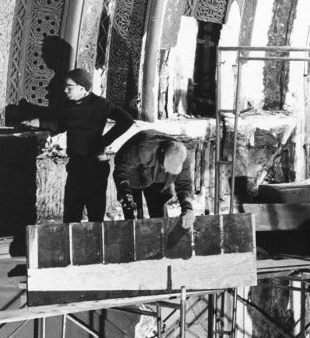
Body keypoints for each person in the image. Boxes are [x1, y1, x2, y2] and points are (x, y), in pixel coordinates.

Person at [23, 67, 134, 223]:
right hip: (76, 166)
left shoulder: (101, 104)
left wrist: (103, 141)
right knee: (71, 215)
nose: (65, 90)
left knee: (95, 216)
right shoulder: (69, 106)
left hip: (95, 167)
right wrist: (36, 123)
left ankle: (94, 247)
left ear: (83, 88)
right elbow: (60, 125)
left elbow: (127, 120)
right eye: (65, 86)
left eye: (70, 87)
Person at [113, 130, 196, 231]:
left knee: (160, 217)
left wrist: (188, 208)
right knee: (132, 214)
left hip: (157, 177)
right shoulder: (143, 149)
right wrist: (125, 193)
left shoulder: (184, 157)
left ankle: (160, 239)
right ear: (162, 155)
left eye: (169, 170)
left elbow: (184, 185)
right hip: (133, 173)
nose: (166, 170)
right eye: (166, 167)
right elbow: (121, 172)